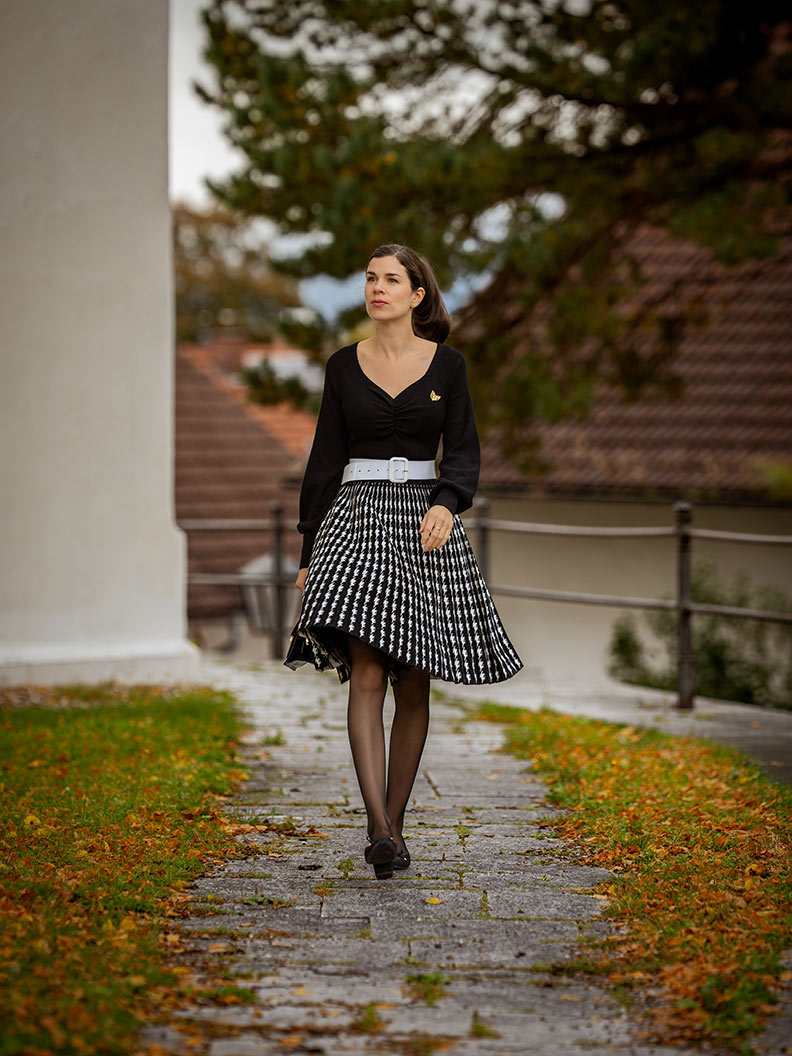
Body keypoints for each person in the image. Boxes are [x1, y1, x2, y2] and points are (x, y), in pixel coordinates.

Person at [286, 243, 523, 879]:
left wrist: (450, 500)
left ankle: (393, 824)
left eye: (392, 279)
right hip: (356, 521)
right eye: (370, 278)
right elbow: (323, 462)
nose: (377, 288)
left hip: (425, 528)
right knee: (367, 672)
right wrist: (309, 549)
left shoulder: (449, 367)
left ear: (418, 295)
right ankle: (379, 828)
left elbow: (465, 450)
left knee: (412, 678)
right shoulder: (341, 366)